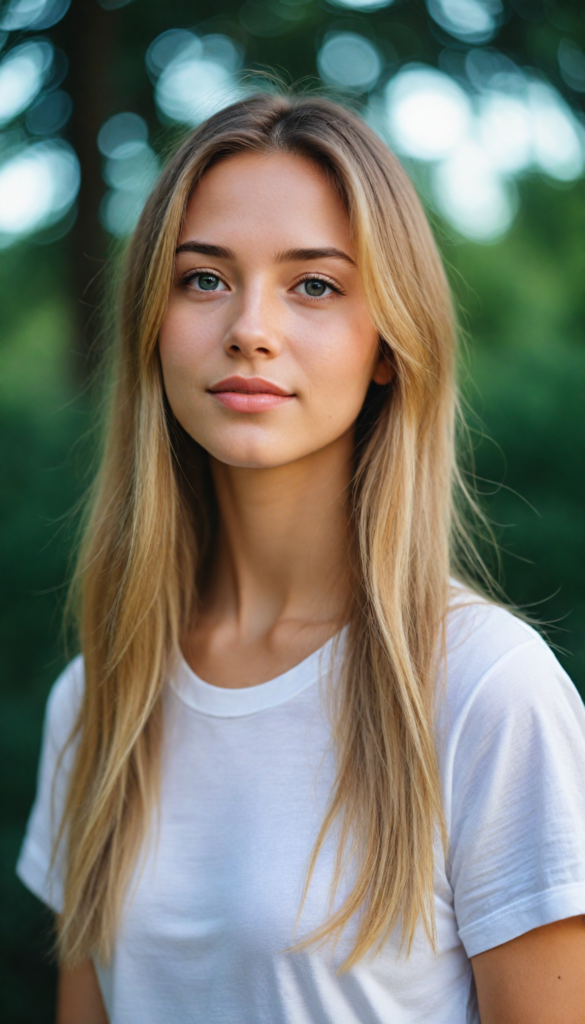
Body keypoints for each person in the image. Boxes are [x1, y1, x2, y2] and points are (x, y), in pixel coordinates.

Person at [16, 94, 585, 1024]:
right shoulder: (96, 700)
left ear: (388, 347)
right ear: (151, 326)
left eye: (314, 285)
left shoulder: (485, 689)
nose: (249, 326)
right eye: (203, 280)